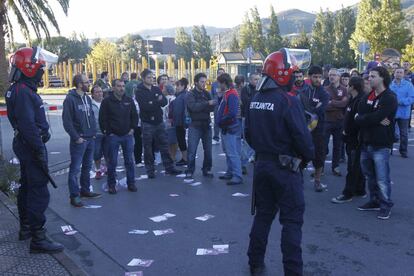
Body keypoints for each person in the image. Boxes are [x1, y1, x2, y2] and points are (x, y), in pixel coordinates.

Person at [245, 48, 314, 276]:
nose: (295, 76)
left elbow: (248, 134)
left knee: (263, 215)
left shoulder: (256, 98)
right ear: (282, 74)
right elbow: (303, 139)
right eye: (292, 72)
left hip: (263, 166)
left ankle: (254, 262)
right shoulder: (288, 101)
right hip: (285, 168)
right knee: (292, 222)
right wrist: (308, 157)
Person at [6, 46, 64, 253]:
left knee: (28, 186)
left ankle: (27, 228)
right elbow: (27, 125)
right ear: (29, 68)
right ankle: (38, 238)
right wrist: (39, 147)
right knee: (38, 190)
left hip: (26, 144)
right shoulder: (23, 92)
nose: (42, 72)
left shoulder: (19, 89)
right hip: (30, 146)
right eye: (39, 68)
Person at [355, 67, 398, 220]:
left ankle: (386, 204)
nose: (369, 79)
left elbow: (372, 116)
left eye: (373, 76)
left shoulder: (390, 97)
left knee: (382, 178)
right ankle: (374, 201)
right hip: (366, 142)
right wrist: (369, 118)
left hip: (381, 144)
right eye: (369, 76)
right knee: (370, 175)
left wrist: (366, 118)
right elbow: (360, 114)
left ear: (382, 78)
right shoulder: (369, 95)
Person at [63, 74, 101, 207]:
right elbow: (67, 122)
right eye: (86, 82)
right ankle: (74, 196)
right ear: (79, 84)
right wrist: (76, 137)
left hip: (90, 138)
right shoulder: (70, 100)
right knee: (74, 169)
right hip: (79, 140)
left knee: (87, 167)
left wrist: (94, 133)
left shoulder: (87, 98)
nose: (89, 83)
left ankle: (85, 190)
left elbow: (91, 117)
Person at [135, 69, 181, 178]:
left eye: (152, 77)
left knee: (164, 145)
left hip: (159, 121)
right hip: (147, 122)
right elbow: (145, 106)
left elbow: (164, 102)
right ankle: (150, 170)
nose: (151, 79)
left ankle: (169, 168)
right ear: (143, 78)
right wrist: (156, 100)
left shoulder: (156, 88)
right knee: (148, 147)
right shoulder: (139, 91)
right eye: (149, 77)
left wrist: (153, 101)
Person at [99, 79, 138, 194]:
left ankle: (131, 183)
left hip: (127, 136)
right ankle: (111, 185)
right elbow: (102, 119)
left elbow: (135, 116)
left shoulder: (129, 100)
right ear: (113, 88)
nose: (121, 88)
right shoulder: (106, 101)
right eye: (119, 86)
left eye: (123, 86)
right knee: (112, 162)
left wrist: (132, 129)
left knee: (129, 161)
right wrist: (108, 132)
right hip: (113, 136)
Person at [331, 77, 367, 203]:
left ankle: (348, 193)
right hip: (350, 138)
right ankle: (360, 189)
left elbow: (359, 121)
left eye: (348, 85)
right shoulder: (353, 99)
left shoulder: (360, 101)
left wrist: (348, 131)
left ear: (352, 87)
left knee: (352, 167)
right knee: (356, 165)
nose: (346, 86)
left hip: (355, 139)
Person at [301, 66, 329, 192]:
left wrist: (310, 108)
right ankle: (298, 179)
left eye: (319, 77)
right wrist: (312, 108)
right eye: (315, 77)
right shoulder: (304, 91)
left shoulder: (324, 93)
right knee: (300, 155)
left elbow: (319, 110)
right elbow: (300, 107)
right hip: (303, 129)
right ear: (309, 77)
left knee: (319, 156)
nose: (318, 79)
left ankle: (317, 181)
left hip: (319, 130)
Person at [186, 72, 217, 179]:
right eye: (202, 82)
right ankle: (190, 170)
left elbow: (212, 107)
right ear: (196, 82)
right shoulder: (190, 94)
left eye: (205, 82)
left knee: (208, 150)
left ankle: (207, 169)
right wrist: (206, 104)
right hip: (194, 126)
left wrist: (205, 106)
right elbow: (193, 107)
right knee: (192, 150)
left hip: (206, 125)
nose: (204, 84)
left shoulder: (207, 93)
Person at [216, 73, 243, 185]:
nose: (218, 85)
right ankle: (231, 172)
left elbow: (231, 112)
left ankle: (237, 175)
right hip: (228, 126)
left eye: (219, 83)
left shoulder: (231, 94)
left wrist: (221, 121)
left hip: (229, 126)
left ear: (224, 83)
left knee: (232, 152)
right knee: (228, 151)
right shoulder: (228, 93)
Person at [324, 68, 349, 176]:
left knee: (337, 146)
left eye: (334, 75)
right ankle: (320, 168)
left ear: (339, 77)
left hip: (339, 121)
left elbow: (345, 104)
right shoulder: (324, 89)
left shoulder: (344, 89)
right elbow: (325, 105)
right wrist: (337, 103)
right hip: (327, 121)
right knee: (323, 146)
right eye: (330, 75)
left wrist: (332, 102)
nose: (332, 77)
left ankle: (336, 167)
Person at [390, 67, 414, 158]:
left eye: (401, 72)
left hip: (404, 113)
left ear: (403, 74)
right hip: (392, 112)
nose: (399, 74)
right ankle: (389, 148)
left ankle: (403, 151)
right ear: (394, 73)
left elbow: (412, 98)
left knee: (404, 133)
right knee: (390, 131)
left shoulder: (409, 85)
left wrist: (401, 101)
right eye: (397, 72)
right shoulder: (390, 85)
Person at [241, 73, 260, 171]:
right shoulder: (246, 89)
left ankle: (256, 158)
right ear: (250, 80)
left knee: (258, 139)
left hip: (257, 118)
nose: (257, 81)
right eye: (255, 79)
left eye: (258, 79)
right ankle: (243, 164)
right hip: (247, 118)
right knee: (246, 141)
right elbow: (246, 102)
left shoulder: (261, 89)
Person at [125, 73, 143, 166]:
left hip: (139, 122)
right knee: (139, 141)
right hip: (138, 123)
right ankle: (138, 160)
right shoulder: (133, 100)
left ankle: (139, 160)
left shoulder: (128, 85)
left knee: (139, 141)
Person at [91, 85, 107, 179]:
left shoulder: (107, 102)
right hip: (96, 133)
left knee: (108, 153)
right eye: (97, 92)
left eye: (100, 91)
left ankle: (108, 169)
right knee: (97, 153)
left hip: (107, 132)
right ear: (92, 94)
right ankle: (98, 170)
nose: (99, 93)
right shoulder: (90, 104)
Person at [172, 78, 190, 166]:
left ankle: (185, 158)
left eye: (178, 85)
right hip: (179, 121)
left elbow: (183, 110)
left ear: (183, 86)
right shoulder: (181, 95)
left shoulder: (183, 96)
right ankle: (185, 157)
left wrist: (184, 123)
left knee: (181, 140)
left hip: (180, 122)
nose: (177, 87)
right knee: (181, 140)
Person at [211, 68, 226, 144]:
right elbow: (212, 95)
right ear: (217, 74)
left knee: (225, 120)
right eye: (219, 73)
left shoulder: (227, 83)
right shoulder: (214, 84)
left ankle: (224, 136)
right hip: (217, 105)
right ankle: (216, 137)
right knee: (216, 121)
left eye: (222, 73)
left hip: (225, 104)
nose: (220, 74)